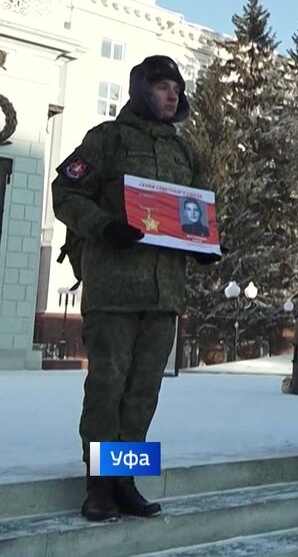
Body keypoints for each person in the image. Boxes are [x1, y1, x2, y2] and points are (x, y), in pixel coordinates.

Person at [52, 55, 220, 522]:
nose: (173, 95)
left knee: (144, 391)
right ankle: (99, 485)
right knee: (107, 385)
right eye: (163, 86)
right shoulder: (108, 139)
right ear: (141, 89)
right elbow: (65, 192)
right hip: (114, 288)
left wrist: (206, 244)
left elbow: (197, 211)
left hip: (163, 293)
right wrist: (104, 226)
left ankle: (125, 481)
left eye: (177, 88)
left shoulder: (185, 152)